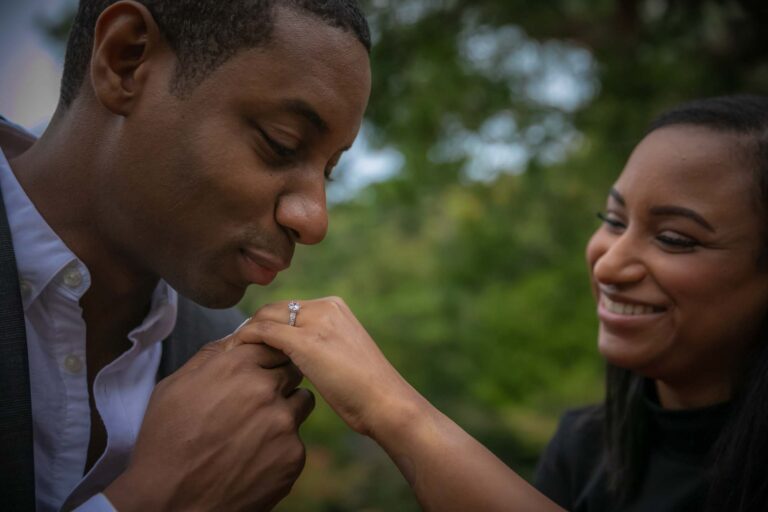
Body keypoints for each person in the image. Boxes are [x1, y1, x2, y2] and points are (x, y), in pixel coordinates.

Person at [239, 95, 768, 511]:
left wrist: (390, 408)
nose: (609, 264)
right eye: (613, 221)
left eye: (674, 238)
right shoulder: (587, 448)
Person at [0, 0, 371, 510]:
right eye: (280, 144)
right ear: (126, 60)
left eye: (328, 169)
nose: (314, 220)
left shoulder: (226, 363)